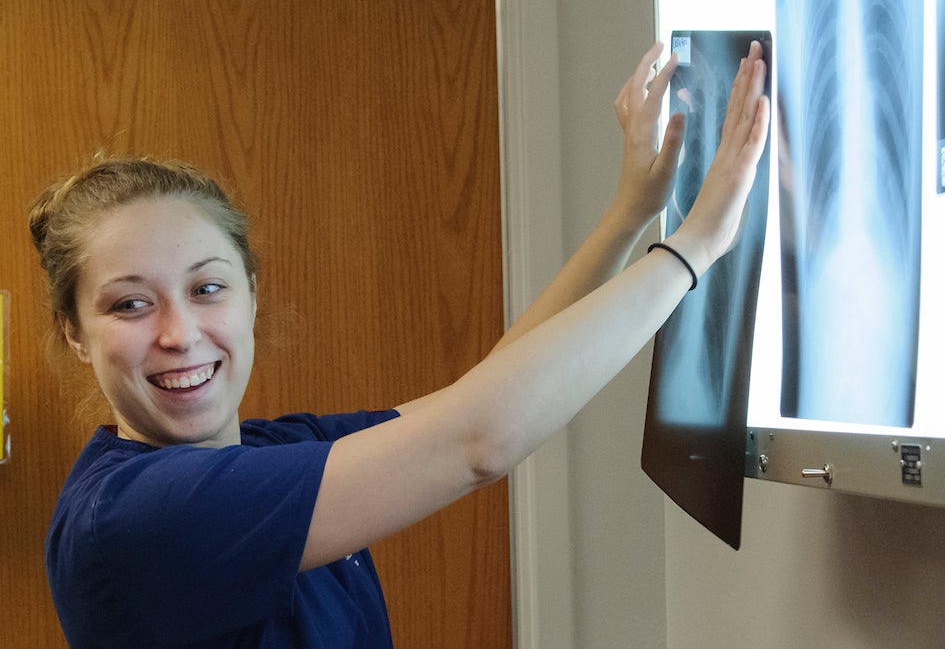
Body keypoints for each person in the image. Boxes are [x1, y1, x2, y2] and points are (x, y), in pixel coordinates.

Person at [34, 41, 768, 647]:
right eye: (130, 303)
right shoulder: (131, 519)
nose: (179, 333)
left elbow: (475, 399)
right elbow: (478, 440)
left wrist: (631, 214)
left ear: (253, 290)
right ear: (74, 331)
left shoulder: (267, 455)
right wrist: (695, 247)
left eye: (207, 288)